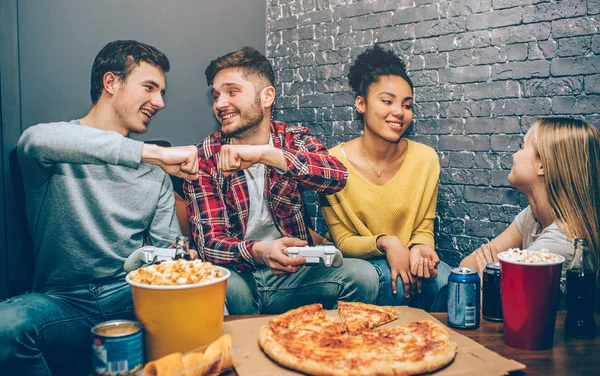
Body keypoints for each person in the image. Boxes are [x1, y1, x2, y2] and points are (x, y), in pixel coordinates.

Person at [0, 40, 199, 376]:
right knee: (7, 327)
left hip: (132, 294)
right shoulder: (54, 151)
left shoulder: (155, 175)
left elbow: (168, 254)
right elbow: (33, 141)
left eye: (162, 92)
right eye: (149, 88)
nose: (160, 102)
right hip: (62, 302)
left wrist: (181, 261)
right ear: (111, 83)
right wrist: (154, 153)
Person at [183, 47, 379, 314]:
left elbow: (336, 175)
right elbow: (210, 243)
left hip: (294, 273)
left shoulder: (291, 139)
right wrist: (260, 251)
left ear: (267, 96)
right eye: (216, 95)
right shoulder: (205, 156)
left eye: (232, 92)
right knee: (210, 285)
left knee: (365, 276)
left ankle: (320, 345)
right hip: (240, 276)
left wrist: (269, 155)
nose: (220, 104)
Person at [321, 45, 450, 311]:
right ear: (361, 104)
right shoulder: (332, 164)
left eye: (407, 105)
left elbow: (424, 229)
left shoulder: (425, 160)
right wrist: (387, 242)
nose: (399, 112)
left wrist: (421, 249)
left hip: (408, 260)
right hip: (360, 265)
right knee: (394, 286)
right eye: (387, 101)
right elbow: (342, 241)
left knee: (450, 283)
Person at [460, 117, 600, 309]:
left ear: (542, 166)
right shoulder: (532, 216)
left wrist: (489, 281)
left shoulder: (560, 244)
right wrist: (490, 280)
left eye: (522, 146)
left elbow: (506, 310)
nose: (513, 155)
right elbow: (467, 265)